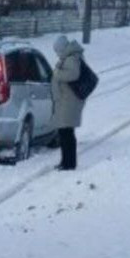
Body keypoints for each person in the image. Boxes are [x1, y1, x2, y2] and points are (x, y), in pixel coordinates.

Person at [51, 35, 87, 171]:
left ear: (62, 48)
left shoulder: (72, 58)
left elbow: (73, 74)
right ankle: (65, 161)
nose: (57, 53)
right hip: (66, 101)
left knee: (67, 133)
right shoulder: (70, 57)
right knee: (65, 132)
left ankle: (69, 163)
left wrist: (57, 73)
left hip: (69, 101)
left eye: (57, 50)